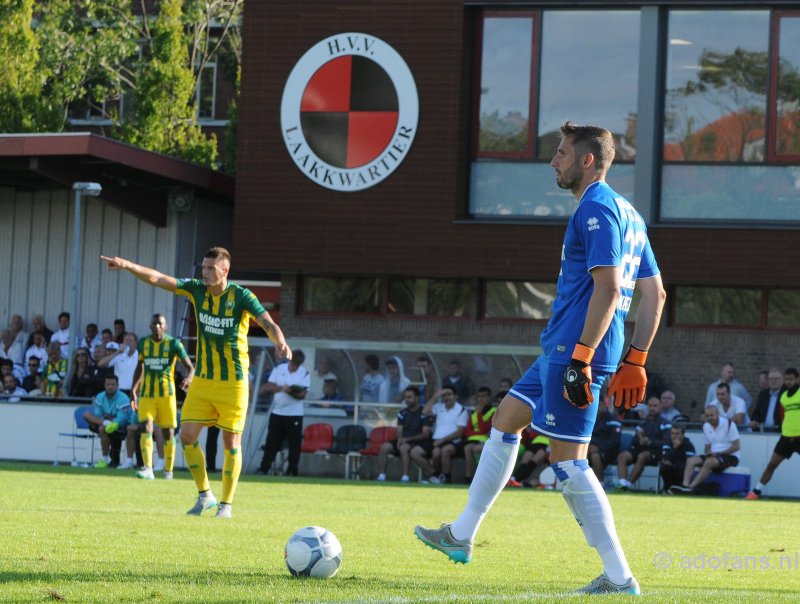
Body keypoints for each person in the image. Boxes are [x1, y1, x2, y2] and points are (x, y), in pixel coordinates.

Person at [414, 122, 665, 595]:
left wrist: (583, 358)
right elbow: (656, 294)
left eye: (562, 152)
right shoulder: (629, 213)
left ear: (587, 160)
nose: (555, 159)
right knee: (505, 420)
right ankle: (461, 535)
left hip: (574, 352)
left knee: (567, 463)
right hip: (564, 350)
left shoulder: (595, 208)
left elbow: (610, 290)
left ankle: (618, 576)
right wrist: (636, 358)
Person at [101, 246, 291, 518]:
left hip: (233, 383)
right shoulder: (197, 290)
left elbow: (268, 323)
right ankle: (205, 496)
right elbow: (158, 278)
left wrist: (280, 341)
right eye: (203, 268)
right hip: (203, 380)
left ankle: (226, 505)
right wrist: (128, 265)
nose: (205, 273)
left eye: (210, 268)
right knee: (187, 436)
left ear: (225, 270)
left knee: (231, 443)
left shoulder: (241, 297)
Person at [131, 313, 195, 480]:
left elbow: (190, 367)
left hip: (167, 394)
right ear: (150, 326)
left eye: (160, 324)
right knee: (145, 426)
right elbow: (140, 367)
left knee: (168, 432)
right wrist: (133, 389)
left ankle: (168, 471)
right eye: (154, 324)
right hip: (147, 394)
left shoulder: (174, 344)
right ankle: (148, 468)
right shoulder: (143, 343)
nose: (157, 327)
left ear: (165, 327)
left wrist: (189, 378)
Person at [746, 367, 800, 499]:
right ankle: (755, 492)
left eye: (791, 380)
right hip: (786, 438)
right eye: (786, 380)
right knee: (771, 465)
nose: (788, 382)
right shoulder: (783, 397)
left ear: (797, 379)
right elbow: (782, 416)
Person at [257, 350, 309, 476]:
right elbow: (270, 387)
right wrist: (282, 388)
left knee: (294, 445)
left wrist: (289, 391)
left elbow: (302, 395)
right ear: (290, 361)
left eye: (297, 365)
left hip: (295, 414)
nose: (295, 367)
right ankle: (264, 468)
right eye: (293, 364)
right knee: (271, 442)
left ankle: (292, 470)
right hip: (277, 412)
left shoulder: (305, 373)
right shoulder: (279, 369)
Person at [670, 405, 740, 494]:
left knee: (709, 462)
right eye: (707, 416)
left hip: (730, 457)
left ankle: (691, 488)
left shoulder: (729, 424)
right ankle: (685, 486)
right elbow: (707, 446)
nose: (710, 418)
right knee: (691, 460)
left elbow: (736, 446)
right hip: (714, 456)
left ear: (718, 414)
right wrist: (708, 453)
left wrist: (719, 453)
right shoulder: (706, 426)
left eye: (712, 415)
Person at [413, 385, 468, 484]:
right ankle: (435, 475)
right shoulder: (438, 407)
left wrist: (442, 440)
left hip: (453, 442)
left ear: (456, 396)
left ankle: (446, 478)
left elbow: (459, 432)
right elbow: (425, 411)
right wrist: (435, 396)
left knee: (438, 452)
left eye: (449, 394)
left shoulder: (461, 410)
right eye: (444, 395)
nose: (446, 397)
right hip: (435, 440)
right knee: (414, 452)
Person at [376, 386, 432, 482]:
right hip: (404, 440)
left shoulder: (424, 413)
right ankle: (382, 475)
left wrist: (406, 440)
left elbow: (425, 434)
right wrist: (400, 439)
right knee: (384, 447)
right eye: (405, 397)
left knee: (404, 447)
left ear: (417, 398)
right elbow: (399, 430)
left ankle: (405, 476)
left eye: (409, 397)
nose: (406, 400)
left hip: (418, 441)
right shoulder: (402, 412)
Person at [615, 397, 671, 491]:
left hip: (655, 452)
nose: (652, 408)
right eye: (650, 406)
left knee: (642, 456)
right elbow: (634, 441)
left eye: (655, 406)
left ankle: (628, 485)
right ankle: (622, 483)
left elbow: (666, 442)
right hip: (639, 449)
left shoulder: (666, 424)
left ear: (660, 407)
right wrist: (639, 439)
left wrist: (649, 442)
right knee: (622, 455)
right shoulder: (642, 423)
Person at [83, 375, 133, 468]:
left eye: (113, 384)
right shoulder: (100, 396)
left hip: (122, 426)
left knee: (102, 428)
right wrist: (106, 420)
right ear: (104, 385)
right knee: (86, 414)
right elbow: (98, 415)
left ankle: (104, 459)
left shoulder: (124, 398)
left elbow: (121, 420)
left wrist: (109, 419)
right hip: (104, 422)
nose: (110, 387)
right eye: (108, 384)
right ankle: (105, 459)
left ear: (117, 386)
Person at [462, 387, 496, 484]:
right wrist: (477, 432)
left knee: (468, 448)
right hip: (471, 440)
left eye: (484, 396)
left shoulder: (494, 411)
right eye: (479, 396)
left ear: (489, 397)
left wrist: (479, 414)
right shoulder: (474, 411)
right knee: (467, 447)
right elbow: (467, 431)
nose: (481, 399)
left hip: (485, 440)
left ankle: (468, 478)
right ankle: (469, 478)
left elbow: (485, 430)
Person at [587, 399, 623, 483]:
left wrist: (598, 448)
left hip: (610, 451)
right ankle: (579, 483)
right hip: (592, 449)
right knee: (580, 454)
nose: (596, 408)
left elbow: (615, 440)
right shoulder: (591, 419)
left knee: (595, 456)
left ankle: (600, 484)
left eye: (599, 405)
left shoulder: (613, 419)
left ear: (604, 405)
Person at [659, 425, 695, 492]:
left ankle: (680, 487)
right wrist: (675, 448)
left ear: (683, 434)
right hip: (671, 470)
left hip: (682, 471)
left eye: (677, 434)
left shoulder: (688, 444)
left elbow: (689, 462)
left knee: (683, 467)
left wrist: (672, 464)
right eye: (672, 434)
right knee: (663, 467)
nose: (674, 436)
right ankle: (666, 488)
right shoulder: (667, 443)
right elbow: (664, 459)